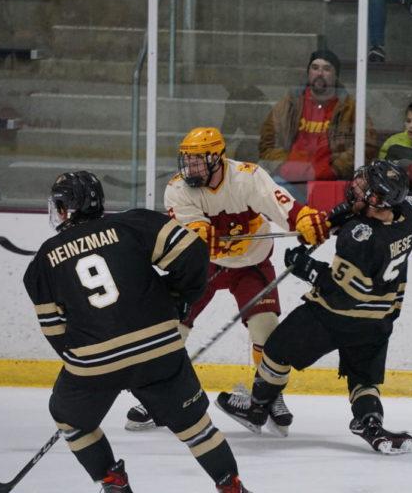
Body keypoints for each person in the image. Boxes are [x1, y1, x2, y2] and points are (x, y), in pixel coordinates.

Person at [24, 171, 253, 492]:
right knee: (195, 426)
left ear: (67, 209)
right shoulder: (131, 225)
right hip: (159, 349)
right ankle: (230, 484)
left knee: (69, 421)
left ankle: (112, 481)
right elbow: (194, 253)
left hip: (94, 363)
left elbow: (56, 334)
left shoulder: (42, 263)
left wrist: (95, 357)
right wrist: (178, 299)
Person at [124, 126, 332, 434]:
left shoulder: (247, 177)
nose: (190, 167)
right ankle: (159, 397)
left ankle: (268, 396)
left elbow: (283, 206)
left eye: (197, 161)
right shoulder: (178, 189)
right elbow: (191, 233)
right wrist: (198, 234)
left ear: (217, 158)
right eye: (188, 160)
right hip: (203, 267)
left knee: (267, 330)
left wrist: (302, 218)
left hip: (251, 264)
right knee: (171, 327)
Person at [215, 159, 412, 454]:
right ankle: (370, 424)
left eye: (364, 187)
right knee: (363, 379)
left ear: (377, 199)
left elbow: (345, 292)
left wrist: (305, 267)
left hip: (335, 315)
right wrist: (344, 216)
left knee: (275, 351)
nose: (356, 187)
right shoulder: (411, 210)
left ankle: (257, 408)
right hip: (380, 318)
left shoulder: (358, 238)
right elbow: (379, 215)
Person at [258, 48, 378, 202]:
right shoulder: (289, 104)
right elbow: (267, 142)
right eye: (315, 68)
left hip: (331, 182)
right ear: (308, 72)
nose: (320, 73)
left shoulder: (350, 108)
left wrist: (333, 169)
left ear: (336, 75)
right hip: (289, 181)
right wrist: (285, 165)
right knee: (272, 190)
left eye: (326, 69)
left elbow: (367, 145)